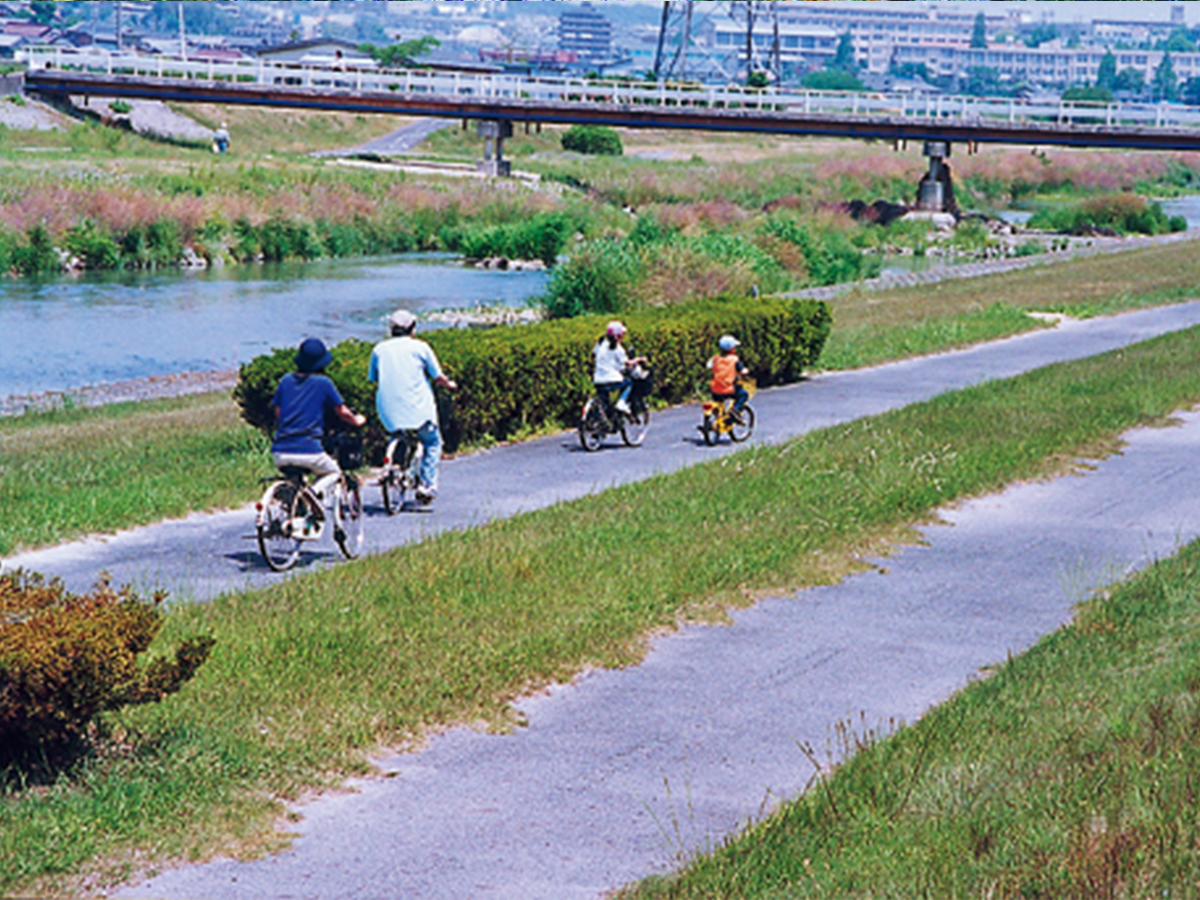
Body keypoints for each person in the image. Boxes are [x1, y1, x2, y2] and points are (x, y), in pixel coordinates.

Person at [368, 309, 457, 505]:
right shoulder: (421, 348)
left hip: (388, 413)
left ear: (391, 329)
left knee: (397, 433)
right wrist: (449, 384)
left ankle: (390, 464)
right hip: (419, 412)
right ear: (412, 329)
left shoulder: (379, 349)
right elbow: (438, 377)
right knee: (433, 443)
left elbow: (373, 378)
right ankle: (427, 485)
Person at [271, 337, 366, 506]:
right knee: (334, 473)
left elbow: (278, 412)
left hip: (280, 452)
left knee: (294, 486)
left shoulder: (285, 380)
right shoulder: (323, 383)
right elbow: (342, 412)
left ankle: (295, 512)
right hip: (309, 451)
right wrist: (358, 420)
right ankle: (312, 492)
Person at [592, 320, 647, 416]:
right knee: (629, 383)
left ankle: (602, 420)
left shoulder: (601, 343)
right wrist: (639, 359)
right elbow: (627, 363)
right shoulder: (618, 348)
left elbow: (594, 354)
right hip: (612, 379)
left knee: (604, 401)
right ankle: (621, 403)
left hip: (598, 379)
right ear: (618, 335)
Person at [707, 334, 750, 413]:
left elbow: (709, 366)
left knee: (717, 401)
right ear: (732, 349)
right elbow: (742, 371)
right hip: (729, 389)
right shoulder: (734, 359)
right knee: (743, 394)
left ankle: (716, 415)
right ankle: (735, 410)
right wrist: (745, 372)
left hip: (715, 389)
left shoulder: (715, 359)